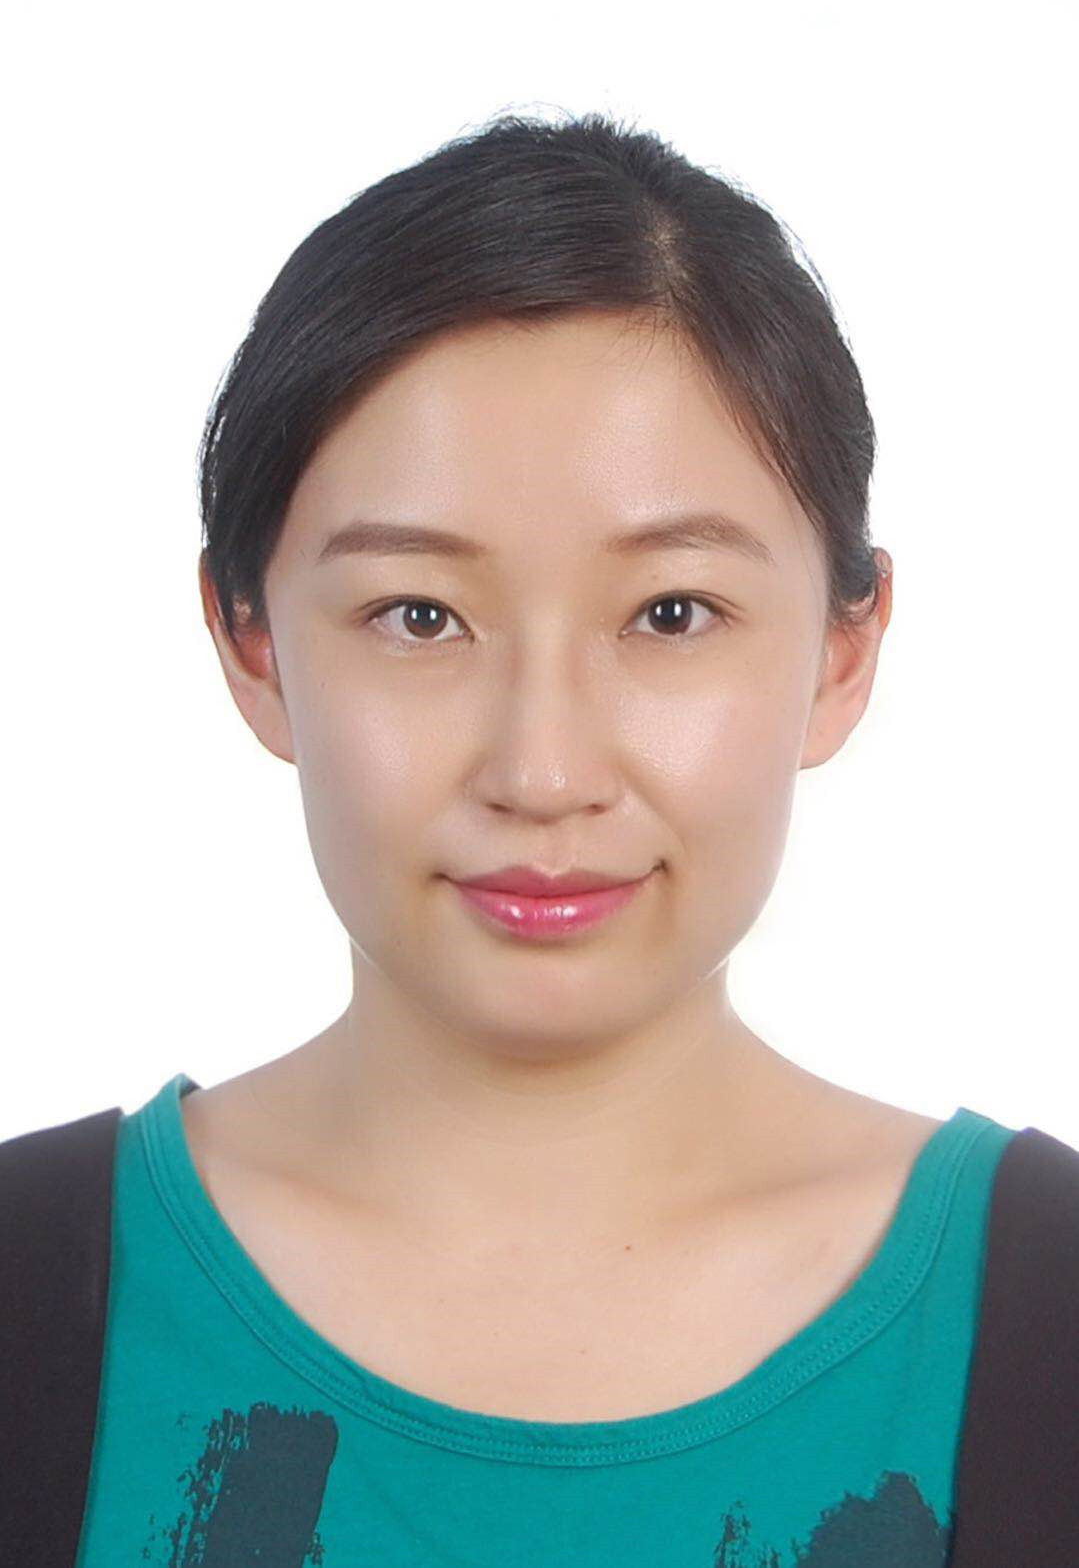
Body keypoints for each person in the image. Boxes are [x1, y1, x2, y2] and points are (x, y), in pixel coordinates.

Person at [9, 110, 1036, 1565]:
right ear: (251, 646)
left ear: (841, 653)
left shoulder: (1051, 1310)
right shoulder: (28, 1294)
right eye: (419, 616)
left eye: (671, 614)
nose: (542, 773)